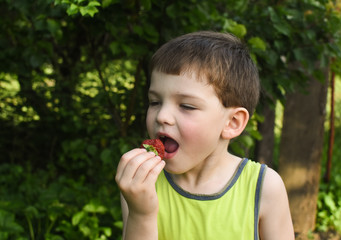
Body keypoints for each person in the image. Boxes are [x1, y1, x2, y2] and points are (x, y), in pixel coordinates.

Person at [115, 31, 294, 240]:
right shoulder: (143, 184)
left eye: (187, 106)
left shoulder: (263, 188)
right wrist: (141, 214)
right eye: (155, 102)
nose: (162, 116)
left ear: (232, 123)